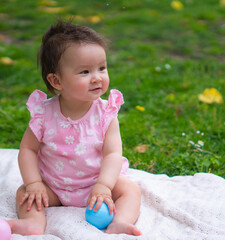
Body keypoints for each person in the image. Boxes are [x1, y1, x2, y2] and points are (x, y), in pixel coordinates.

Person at [8, 20, 142, 236]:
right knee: (25, 192)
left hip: (96, 184)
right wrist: (34, 183)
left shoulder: (106, 113)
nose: (97, 77)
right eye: (85, 72)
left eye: (102, 68)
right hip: (55, 185)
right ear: (57, 81)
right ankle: (32, 223)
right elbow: (28, 149)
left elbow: (113, 153)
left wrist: (105, 186)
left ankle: (120, 222)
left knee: (130, 190)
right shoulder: (44, 114)